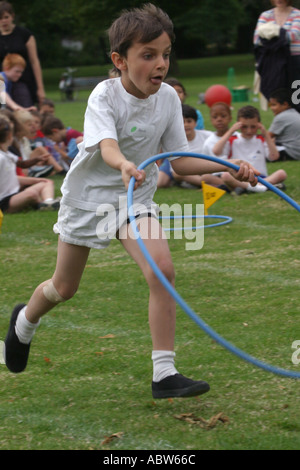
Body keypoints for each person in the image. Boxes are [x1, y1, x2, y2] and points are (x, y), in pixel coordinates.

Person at [3, 4, 258, 399]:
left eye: (166, 54)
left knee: (162, 270)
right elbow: (106, 146)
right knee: (64, 287)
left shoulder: (169, 100)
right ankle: (24, 321)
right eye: (149, 55)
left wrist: (228, 167)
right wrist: (123, 163)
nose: (160, 64)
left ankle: (164, 373)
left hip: (134, 197)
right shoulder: (103, 97)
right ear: (119, 61)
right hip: (90, 198)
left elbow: (179, 160)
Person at [213, 105, 287, 193]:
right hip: (240, 177)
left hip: (260, 178)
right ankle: (262, 188)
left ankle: (250, 188)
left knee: (282, 173)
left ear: (259, 125)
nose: (249, 131)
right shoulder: (233, 139)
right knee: (225, 176)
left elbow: (274, 157)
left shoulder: (261, 139)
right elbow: (216, 151)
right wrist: (230, 131)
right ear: (238, 124)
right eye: (244, 127)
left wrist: (266, 134)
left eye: (253, 127)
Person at [0, 117, 60, 213]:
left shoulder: (7, 154)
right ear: (9, 136)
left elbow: (20, 166)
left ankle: (49, 203)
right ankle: (40, 203)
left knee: (46, 182)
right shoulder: (1, 157)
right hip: (4, 201)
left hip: (15, 193)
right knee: (32, 194)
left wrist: (37, 163)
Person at [157, 104, 222, 189]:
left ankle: (208, 182)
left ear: (195, 123)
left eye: (189, 121)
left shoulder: (207, 136)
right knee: (164, 181)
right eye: (182, 122)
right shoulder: (175, 141)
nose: (186, 125)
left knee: (206, 175)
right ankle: (206, 183)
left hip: (202, 168)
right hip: (183, 169)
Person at [253, 1, 300, 106]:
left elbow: (293, 35)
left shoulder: (297, 15)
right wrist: (281, 36)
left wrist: (270, 34)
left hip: (294, 62)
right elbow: (257, 39)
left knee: (296, 97)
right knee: (278, 98)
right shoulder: (265, 16)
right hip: (274, 63)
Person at [0, 2, 46, 107]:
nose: (3, 21)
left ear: (12, 16)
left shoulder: (24, 34)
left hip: (24, 80)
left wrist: (40, 88)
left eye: (6, 17)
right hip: (2, 81)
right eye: (0, 18)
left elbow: (35, 62)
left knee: (26, 107)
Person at [13, 109, 64, 177]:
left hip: (27, 165)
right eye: (29, 125)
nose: (33, 127)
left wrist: (37, 160)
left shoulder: (23, 140)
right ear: (19, 126)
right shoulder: (13, 142)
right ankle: (61, 171)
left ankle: (39, 171)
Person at [268, 88, 300, 160]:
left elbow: (267, 137)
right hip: (297, 150)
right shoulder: (294, 112)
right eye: (270, 105)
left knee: (260, 151)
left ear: (285, 104)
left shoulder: (281, 117)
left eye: (274, 105)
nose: (271, 108)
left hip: (292, 151)